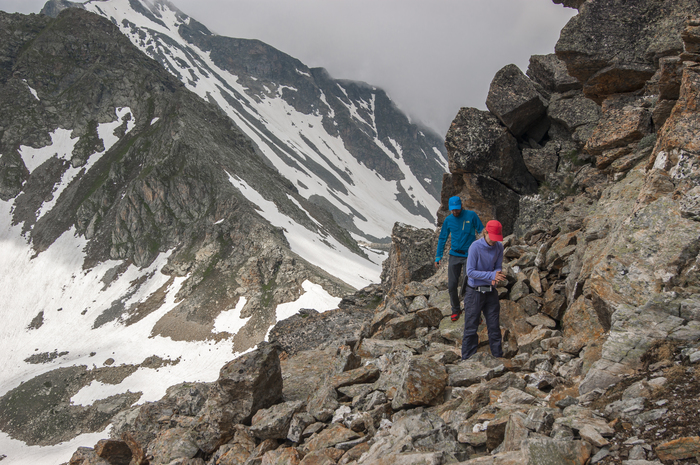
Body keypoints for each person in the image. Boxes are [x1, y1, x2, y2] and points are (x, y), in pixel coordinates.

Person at [461, 220, 507, 360]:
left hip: (490, 290)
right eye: (492, 237)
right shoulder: (475, 247)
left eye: (496, 238)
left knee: (494, 326)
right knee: (471, 326)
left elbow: (498, 266)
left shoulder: (499, 247)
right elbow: (470, 272)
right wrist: (491, 275)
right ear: (485, 232)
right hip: (474, 291)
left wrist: (496, 275)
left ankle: (498, 358)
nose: (494, 241)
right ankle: (467, 359)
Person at [435, 196, 484, 322]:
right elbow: (442, 238)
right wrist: (438, 256)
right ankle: (455, 309)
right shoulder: (448, 220)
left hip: (470, 255)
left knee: (470, 283)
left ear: (461, 206)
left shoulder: (471, 215)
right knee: (452, 285)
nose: (455, 212)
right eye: (453, 210)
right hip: (454, 255)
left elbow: (482, 231)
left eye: (457, 209)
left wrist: (487, 249)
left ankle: (473, 311)